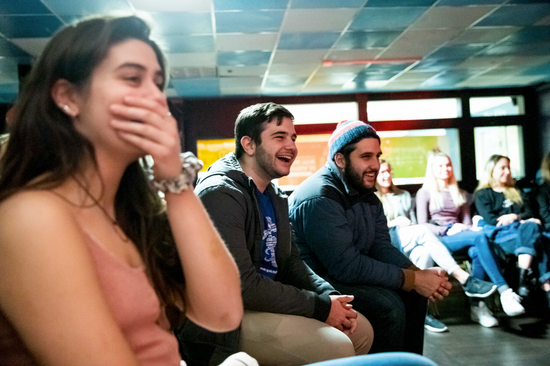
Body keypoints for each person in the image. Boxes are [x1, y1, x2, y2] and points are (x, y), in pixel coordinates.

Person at [0, 16, 245, 366]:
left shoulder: (128, 208)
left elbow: (222, 313)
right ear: (68, 97)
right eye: (132, 79)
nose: (156, 98)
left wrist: (174, 183)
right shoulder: (32, 216)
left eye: (158, 83)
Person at [178, 103, 373, 366]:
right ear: (249, 144)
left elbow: (292, 262)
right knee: (338, 346)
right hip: (225, 319)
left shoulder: (274, 194)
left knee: (362, 330)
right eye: (279, 137)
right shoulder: (220, 194)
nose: (291, 146)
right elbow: (242, 285)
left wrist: (330, 297)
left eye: (293, 137)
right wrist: (321, 307)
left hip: (263, 302)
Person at [289, 120, 452, 355]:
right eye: (366, 157)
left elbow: (381, 247)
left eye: (377, 156)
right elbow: (346, 267)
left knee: (414, 296)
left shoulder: (366, 194)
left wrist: (419, 273)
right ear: (340, 160)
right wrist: (414, 279)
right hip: (317, 280)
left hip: (346, 273)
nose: (375, 165)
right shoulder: (319, 196)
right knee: (389, 306)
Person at [375, 160, 496, 332]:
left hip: (408, 239)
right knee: (423, 231)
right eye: (382, 173)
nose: (386, 175)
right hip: (387, 242)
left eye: (388, 171)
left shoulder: (403, 195)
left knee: (424, 252)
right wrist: (394, 222)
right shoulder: (372, 198)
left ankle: (420, 311)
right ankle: (464, 279)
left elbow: (415, 222)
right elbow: (373, 230)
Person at [416, 150, 525, 328]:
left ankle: (478, 307)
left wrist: (462, 228)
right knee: (480, 238)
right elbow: (422, 225)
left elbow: (467, 223)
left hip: (462, 237)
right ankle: (505, 292)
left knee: (477, 249)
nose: (446, 169)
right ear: (433, 169)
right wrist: (447, 229)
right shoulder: (425, 192)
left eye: (448, 165)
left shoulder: (460, 193)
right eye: (441, 166)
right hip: (439, 240)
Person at [475, 154, 550, 304]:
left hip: (523, 231)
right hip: (504, 237)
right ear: (491, 170)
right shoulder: (482, 194)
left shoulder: (517, 191)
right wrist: (519, 217)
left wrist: (514, 216)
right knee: (540, 242)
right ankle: (544, 287)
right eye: (503, 168)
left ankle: (523, 281)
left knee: (532, 226)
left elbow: (529, 213)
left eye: (509, 168)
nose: (507, 171)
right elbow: (491, 220)